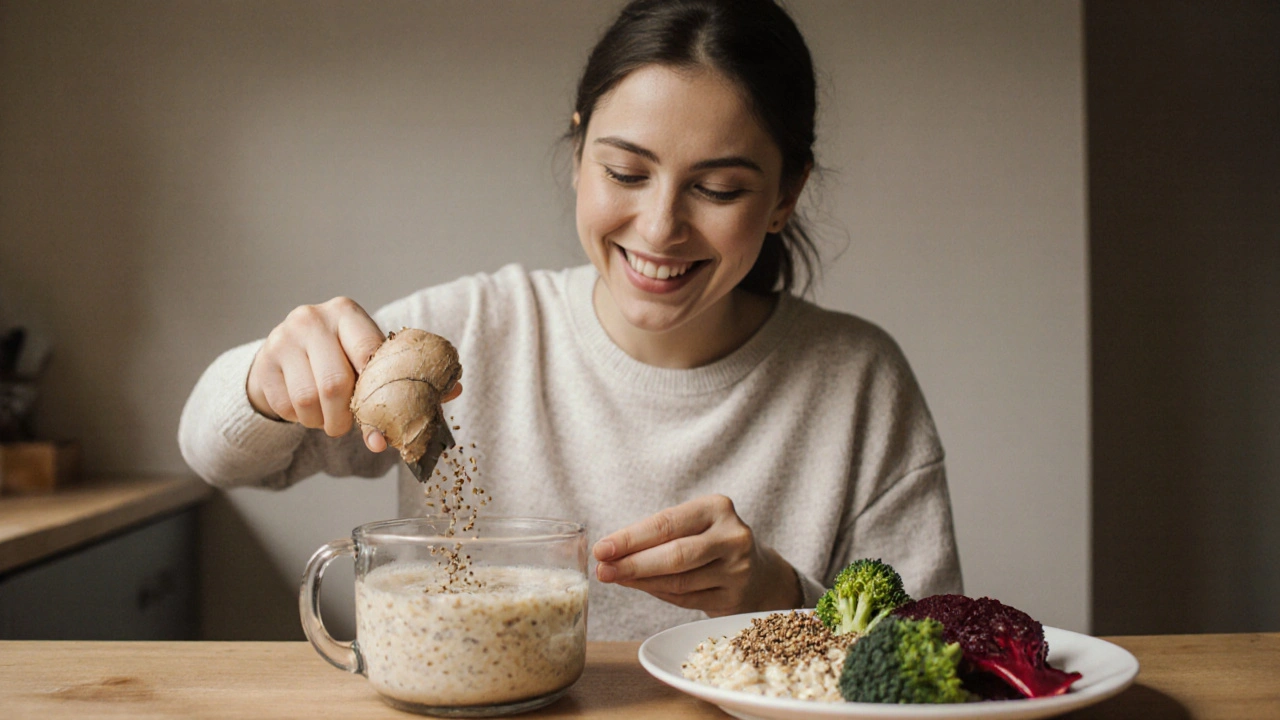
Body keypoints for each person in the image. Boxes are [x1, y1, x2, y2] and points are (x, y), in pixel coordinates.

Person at [179, 0, 962, 641]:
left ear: (786, 195)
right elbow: (218, 457)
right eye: (626, 171)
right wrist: (265, 380)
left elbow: (931, 651)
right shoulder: (475, 329)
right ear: (580, 145)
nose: (659, 229)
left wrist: (773, 589)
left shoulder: (857, 380)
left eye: (717, 188)